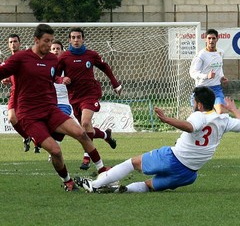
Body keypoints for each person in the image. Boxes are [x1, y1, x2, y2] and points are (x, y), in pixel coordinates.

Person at [0, 24, 109, 192]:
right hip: (29, 115)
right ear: (36, 40)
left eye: (51, 41)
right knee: (56, 151)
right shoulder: (21, 58)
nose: (49, 45)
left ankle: (102, 170)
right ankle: (67, 181)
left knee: (81, 133)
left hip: (50, 109)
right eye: (46, 41)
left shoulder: (52, 59)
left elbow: (54, 77)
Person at [75, 86, 240, 193]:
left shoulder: (199, 116)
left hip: (173, 158)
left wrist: (166, 119)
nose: (193, 102)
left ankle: (94, 185)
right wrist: (233, 109)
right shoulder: (224, 120)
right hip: (189, 174)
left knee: (132, 163)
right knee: (148, 186)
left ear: (199, 105)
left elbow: (191, 127)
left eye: (194, 100)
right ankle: (120, 190)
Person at [56, 27, 122, 170]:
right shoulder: (64, 57)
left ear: (83, 39)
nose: (76, 40)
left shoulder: (91, 55)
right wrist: (61, 79)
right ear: (69, 40)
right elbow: (53, 76)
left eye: (78, 37)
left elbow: (105, 67)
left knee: (85, 123)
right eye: (73, 37)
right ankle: (106, 135)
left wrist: (115, 84)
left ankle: (87, 157)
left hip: (90, 94)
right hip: (74, 97)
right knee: (84, 129)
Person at [1, 34, 34, 152]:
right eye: (10, 42)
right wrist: (8, 79)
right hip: (15, 92)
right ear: (8, 45)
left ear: (19, 43)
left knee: (30, 119)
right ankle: (27, 137)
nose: (13, 44)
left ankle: (40, 140)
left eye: (15, 41)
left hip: (27, 93)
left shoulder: (25, 58)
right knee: (12, 118)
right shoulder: (10, 60)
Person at [189, 28, 228, 114]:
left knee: (220, 111)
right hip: (202, 88)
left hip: (216, 88)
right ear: (205, 39)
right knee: (199, 115)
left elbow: (219, 68)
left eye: (213, 38)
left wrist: (222, 77)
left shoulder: (221, 52)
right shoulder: (201, 55)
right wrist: (207, 76)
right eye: (209, 38)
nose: (211, 40)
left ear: (217, 39)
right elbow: (193, 73)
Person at [48, 40, 72, 161]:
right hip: (49, 102)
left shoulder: (68, 66)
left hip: (64, 102)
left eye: (58, 48)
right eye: (53, 49)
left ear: (62, 51)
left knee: (62, 124)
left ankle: (54, 148)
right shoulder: (46, 66)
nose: (56, 50)